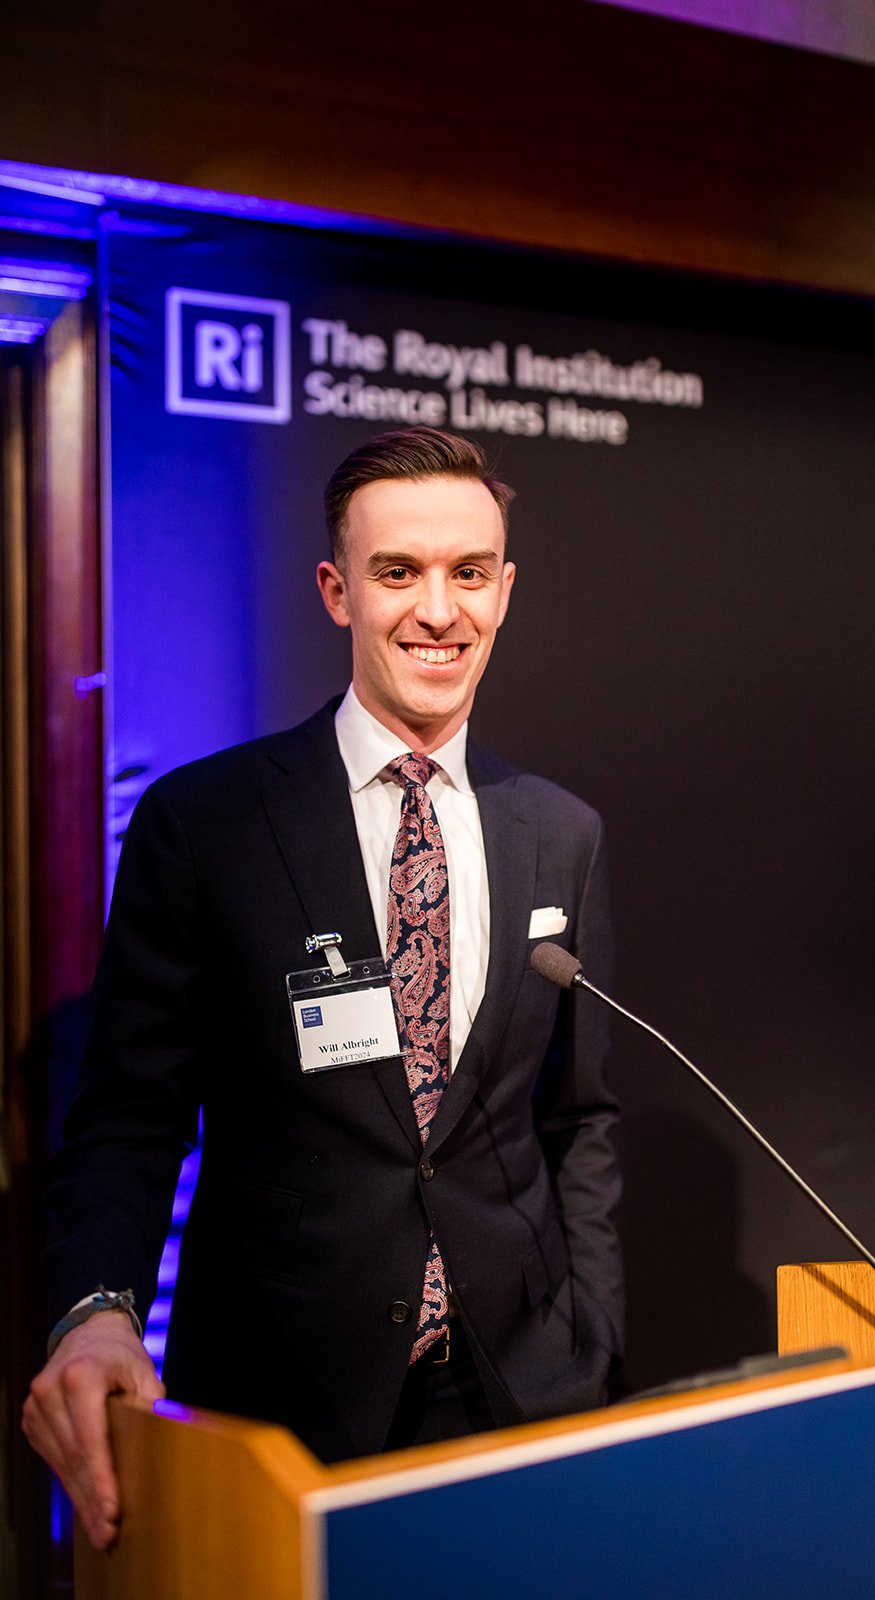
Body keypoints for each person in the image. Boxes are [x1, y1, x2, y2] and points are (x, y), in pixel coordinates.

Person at [22, 426, 623, 1549]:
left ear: (504, 591)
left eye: (469, 572)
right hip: (281, 1399)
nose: (438, 610)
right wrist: (97, 1309)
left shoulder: (561, 833)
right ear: (336, 590)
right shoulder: (204, 823)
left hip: (518, 1393)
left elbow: (575, 1118)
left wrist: (592, 1337)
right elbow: (129, 1117)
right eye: (397, 571)